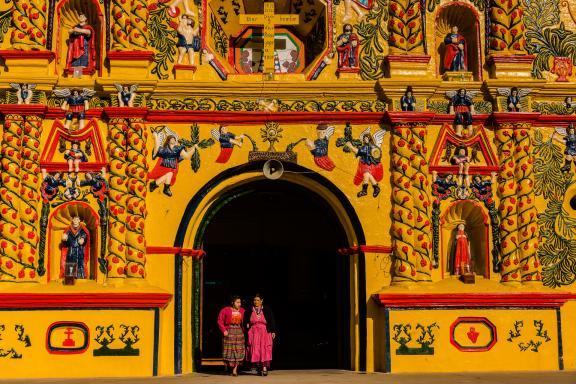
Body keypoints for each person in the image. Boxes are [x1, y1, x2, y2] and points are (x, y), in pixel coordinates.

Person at [244, 294, 276, 376]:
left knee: (264, 349)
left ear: (262, 300)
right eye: (255, 300)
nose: (256, 302)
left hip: (264, 331)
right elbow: (245, 321)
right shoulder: (249, 310)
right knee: (256, 349)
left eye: (258, 300)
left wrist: (273, 331)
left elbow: (271, 320)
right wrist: (247, 326)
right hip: (254, 332)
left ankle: (264, 367)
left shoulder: (267, 309)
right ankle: (258, 367)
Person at [346, 132, 383, 198]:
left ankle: (365, 190)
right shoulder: (373, 146)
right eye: (364, 138)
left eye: (366, 138)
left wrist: (351, 146)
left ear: (369, 139)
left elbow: (358, 151)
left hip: (369, 165)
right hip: (370, 165)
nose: (365, 140)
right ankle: (376, 187)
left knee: (366, 174)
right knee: (368, 175)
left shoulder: (368, 146)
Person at [217, 295, 245, 376]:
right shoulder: (225, 310)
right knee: (230, 350)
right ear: (232, 303)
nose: (239, 304)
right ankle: (228, 367)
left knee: (238, 350)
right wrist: (224, 330)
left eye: (240, 302)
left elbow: (247, 320)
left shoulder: (243, 311)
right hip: (229, 331)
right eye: (237, 302)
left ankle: (235, 370)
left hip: (239, 332)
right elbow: (220, 320)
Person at [60, 215, 90, 279]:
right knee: (70, 261)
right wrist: (64, 238)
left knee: (80, 262)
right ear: (72, 220)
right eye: (74, 220)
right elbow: (65, 239)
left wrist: (83, 238)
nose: (76, 221)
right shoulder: (69, 229)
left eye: (77, 220)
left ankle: (80, 276)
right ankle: (70, 276)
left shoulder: (82, 229)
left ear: (79, 221)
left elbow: (84, 235)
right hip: (71, 248)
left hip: (79, 249)